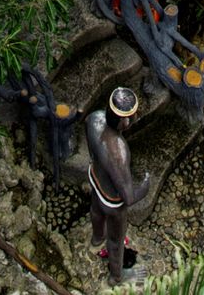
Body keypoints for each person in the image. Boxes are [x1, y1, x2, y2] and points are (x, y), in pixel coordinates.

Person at [83, 91, 142, 277]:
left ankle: (96, 239)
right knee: (116, 241)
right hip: (112, 202)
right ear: (124, 122)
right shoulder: (118, 150)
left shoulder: (94, 119)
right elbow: (129, 197)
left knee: (95, 211)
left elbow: (93, 151)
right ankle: (116, 277)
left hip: (96, 180)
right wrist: (145, 185)